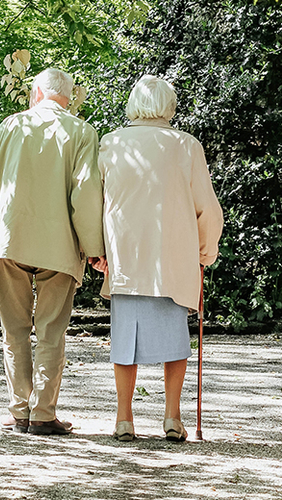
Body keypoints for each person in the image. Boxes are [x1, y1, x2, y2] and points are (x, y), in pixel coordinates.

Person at [0, 68, 106, 435]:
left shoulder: (10, 126)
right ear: (69, 97)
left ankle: (19, 411)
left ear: (36, 92)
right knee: (51, 331)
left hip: (11, 240)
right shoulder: (82, 132)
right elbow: (86, 193)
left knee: (14, 330)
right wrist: (94, 248)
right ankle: (43, 414)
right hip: (59, 245)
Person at [98, 75, 223, 442]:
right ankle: (172, 417)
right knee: (174, 340)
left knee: (124, 340)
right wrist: (206, 250)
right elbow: (207, 208)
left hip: (126, 256)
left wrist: (96, 251)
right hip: (173, 257)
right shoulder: (185, 146)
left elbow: (96, 202)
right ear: (169, 106)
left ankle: (124, 418)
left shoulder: (112, 143)